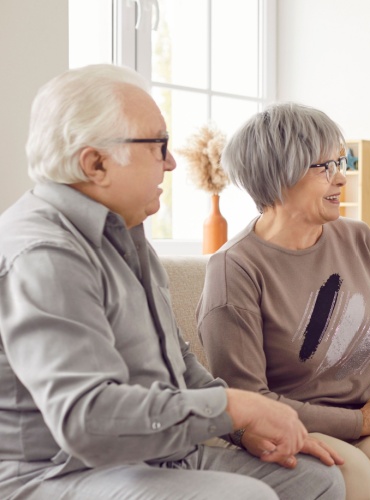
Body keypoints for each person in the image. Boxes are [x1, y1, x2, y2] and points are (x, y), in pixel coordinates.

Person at [0, 65, 345, 500]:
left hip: (160, 457)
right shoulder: (46, 254)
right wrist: (231, 406)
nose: (171, 162)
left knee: (317, 480)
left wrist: (242, 427)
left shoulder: (128, 236)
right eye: (157, 145)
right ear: (96, 163)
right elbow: (86, 419)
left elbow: (177, 362)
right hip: (63, 474)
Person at [196, 102, 370, 500]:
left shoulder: (358, 239)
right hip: (291, 429)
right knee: (351, 474)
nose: (341, 178)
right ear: (280, 175)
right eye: (326, 167)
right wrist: (361, 421)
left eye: (341, 162)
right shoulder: (234, 269)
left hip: (364, 417)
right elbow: (250, 403)